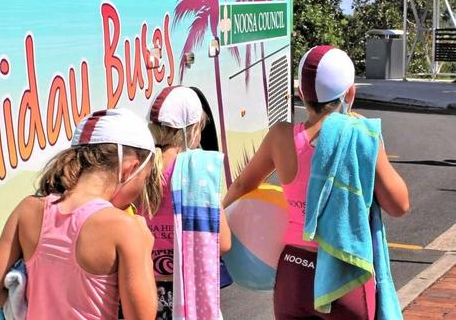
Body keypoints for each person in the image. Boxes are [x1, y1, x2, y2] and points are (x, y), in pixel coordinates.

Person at [223, 46, 409, 320]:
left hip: (293, 273)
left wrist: (211, 222)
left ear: (301, 94)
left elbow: (240, 186)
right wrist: (373, 145)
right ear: (350, 93)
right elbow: (399, 204)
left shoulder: (280, 136)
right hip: (345, 272)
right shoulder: (360, 136)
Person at [0, 108, 161, 320]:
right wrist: (144, 247)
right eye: (144, 179)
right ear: (130, 169)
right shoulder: (126, 228)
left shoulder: (28, 209)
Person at [142, 85, 232, 319]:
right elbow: (222, 243)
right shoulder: (197, 170)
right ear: (191, 130)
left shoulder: (138, 168)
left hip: (143, 290)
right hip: (186, 291)